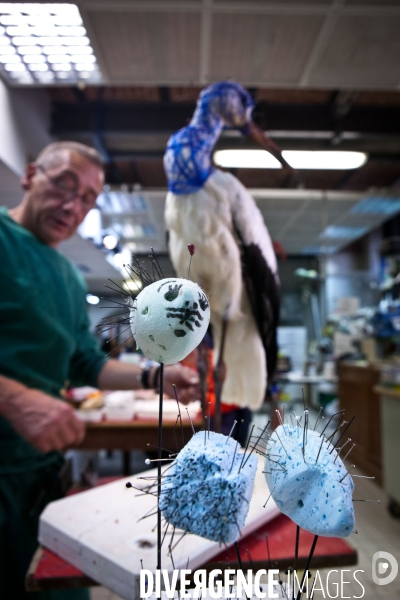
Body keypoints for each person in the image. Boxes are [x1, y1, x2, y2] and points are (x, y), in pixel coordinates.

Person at [0, 141, 199, 599]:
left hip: (41, 477)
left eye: (88, 198)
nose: (74, 205)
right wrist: (15, 399)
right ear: (31, 175)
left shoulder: (66, 276)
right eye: (63, 185)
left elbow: (84, 363)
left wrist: (156, 377)